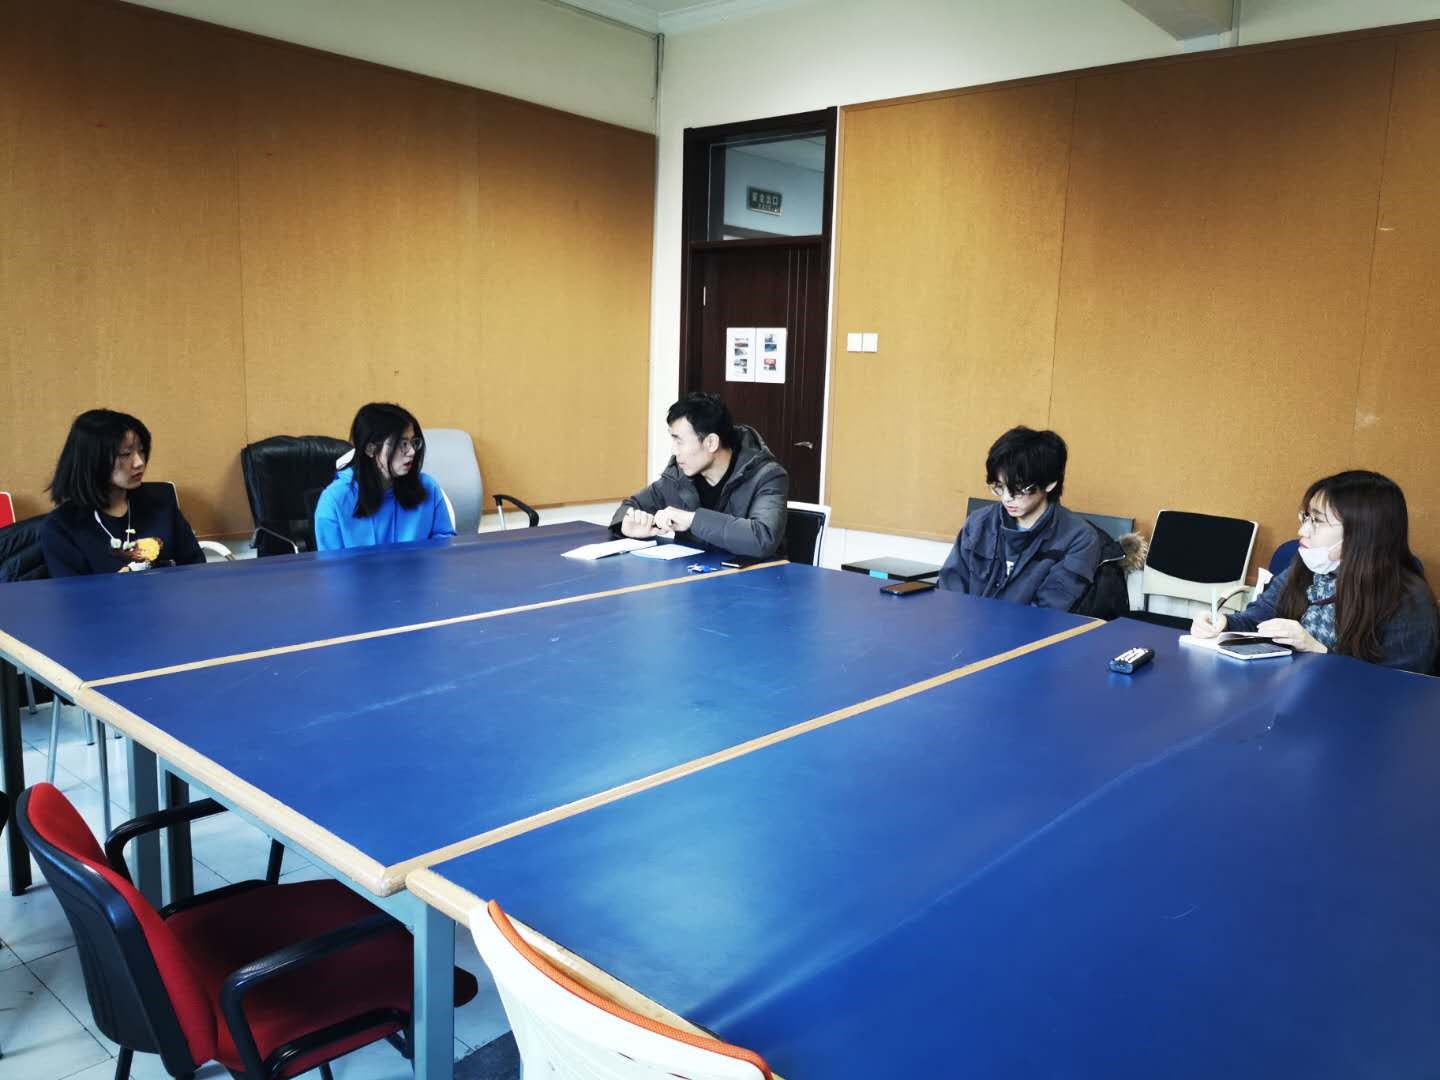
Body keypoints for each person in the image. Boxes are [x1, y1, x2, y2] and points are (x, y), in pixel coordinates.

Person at [1190, 470, 1438, 674]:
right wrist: (1224, 624)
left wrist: (1318, 652)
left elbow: (1401, 688)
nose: (1302, 531)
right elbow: (1257, 620)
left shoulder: (1407, 600)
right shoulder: (1306, 567)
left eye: (1317, 521)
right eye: (1306, 517)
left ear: (1362, 533)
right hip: (1291, 693)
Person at [939, 426, 1106, 610]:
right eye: (999, 487)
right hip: (967, 623)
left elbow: (1048, 612)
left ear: (1050, 483)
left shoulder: (1079, 538)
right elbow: (950, 589)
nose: (1006, 498)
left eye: (1018, 489)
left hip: (1028, 628)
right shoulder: (979, 523)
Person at [611, 392, 788, 559]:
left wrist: (692, 519)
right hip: (695, 574)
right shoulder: (678, 475)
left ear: (711, 442)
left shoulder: (767, 476)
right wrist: (627, 525)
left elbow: (763, 538)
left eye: (679, 441)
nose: (674, 450)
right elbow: (631, 506)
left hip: (754, 577)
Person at [41, 409, 204, 576]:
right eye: (125, 454)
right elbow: (73, 591)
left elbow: (196, 568)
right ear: (91, 459)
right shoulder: (62, 526)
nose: (139, 462)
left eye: (141, 450)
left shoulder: (161, 505)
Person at [313, 402, 456, 551]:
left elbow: (445, 546)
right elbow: (332, 563)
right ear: (370, 449)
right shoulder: (334, 500)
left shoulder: (427, 487)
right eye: (402, 444)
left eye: (413, 442)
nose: (412, 451)